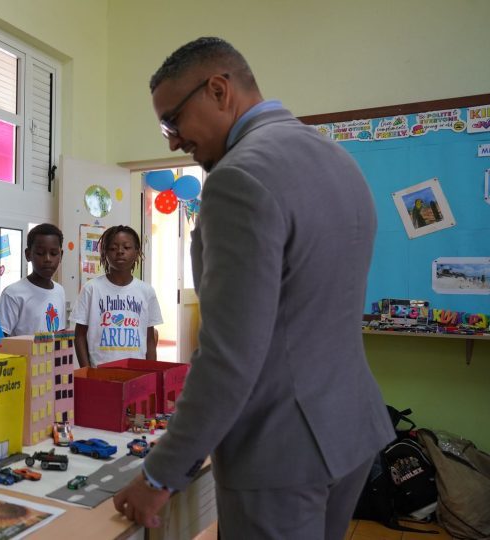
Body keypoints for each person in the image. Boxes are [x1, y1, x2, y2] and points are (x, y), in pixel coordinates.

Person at [113, 37, 393, 539]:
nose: (172, 142)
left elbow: (228, 357)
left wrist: (158, 474)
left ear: (219, 90)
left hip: (279, 452)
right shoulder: (337, 158)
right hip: (350, 429)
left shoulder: (238, 179)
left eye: (173, 121)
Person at [72, 225, 161, 368]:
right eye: (113, 248)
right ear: (104, 253)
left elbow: (150, 339)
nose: (120, 252)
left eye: (126, 247)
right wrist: (87, 371)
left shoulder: (146, 291)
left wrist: (151, 372)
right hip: (100, 374)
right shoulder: (91, 289)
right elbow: (80, 336)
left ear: (137, 252)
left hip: (136, 374)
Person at [0, 223, 68, 336]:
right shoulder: (13, 293)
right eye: (40, 253)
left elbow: (59, 332)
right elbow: (1, 338)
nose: (48, 259)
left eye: (54, 253)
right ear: (28, 254)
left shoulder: (60, 291)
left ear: (61, 255)